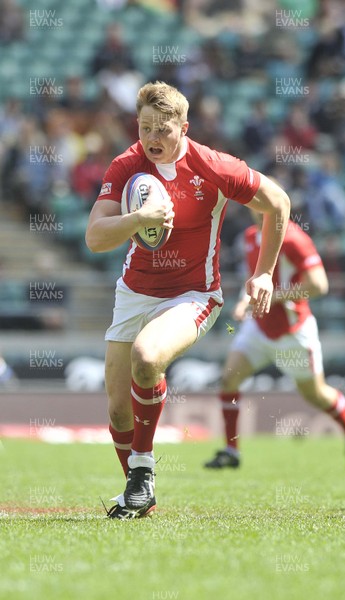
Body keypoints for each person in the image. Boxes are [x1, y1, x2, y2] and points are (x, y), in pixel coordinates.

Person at [85, 81, 291, 519]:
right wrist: (138, 218)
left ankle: (142, 473)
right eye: (144, 129)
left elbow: (277, 202)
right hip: (134, 292)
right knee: (119, 412)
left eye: (163, 130)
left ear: (184, 127)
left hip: (194, 293)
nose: (152, 139)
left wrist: (265, 273)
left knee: (147, 357)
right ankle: (140, 497)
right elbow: (95, 237)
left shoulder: (213, 166)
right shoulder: (127, 164)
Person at [204, 212, 345, 473]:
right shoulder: (250, 236)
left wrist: (273, 297)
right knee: (229, 379)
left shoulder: (294, 239)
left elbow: (319, 285)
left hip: (293, 331)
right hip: (258, 328)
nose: (254, 207)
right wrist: (246, 302)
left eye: (260, 202)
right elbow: (254, 278)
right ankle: (231, 451)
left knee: (315, 394)